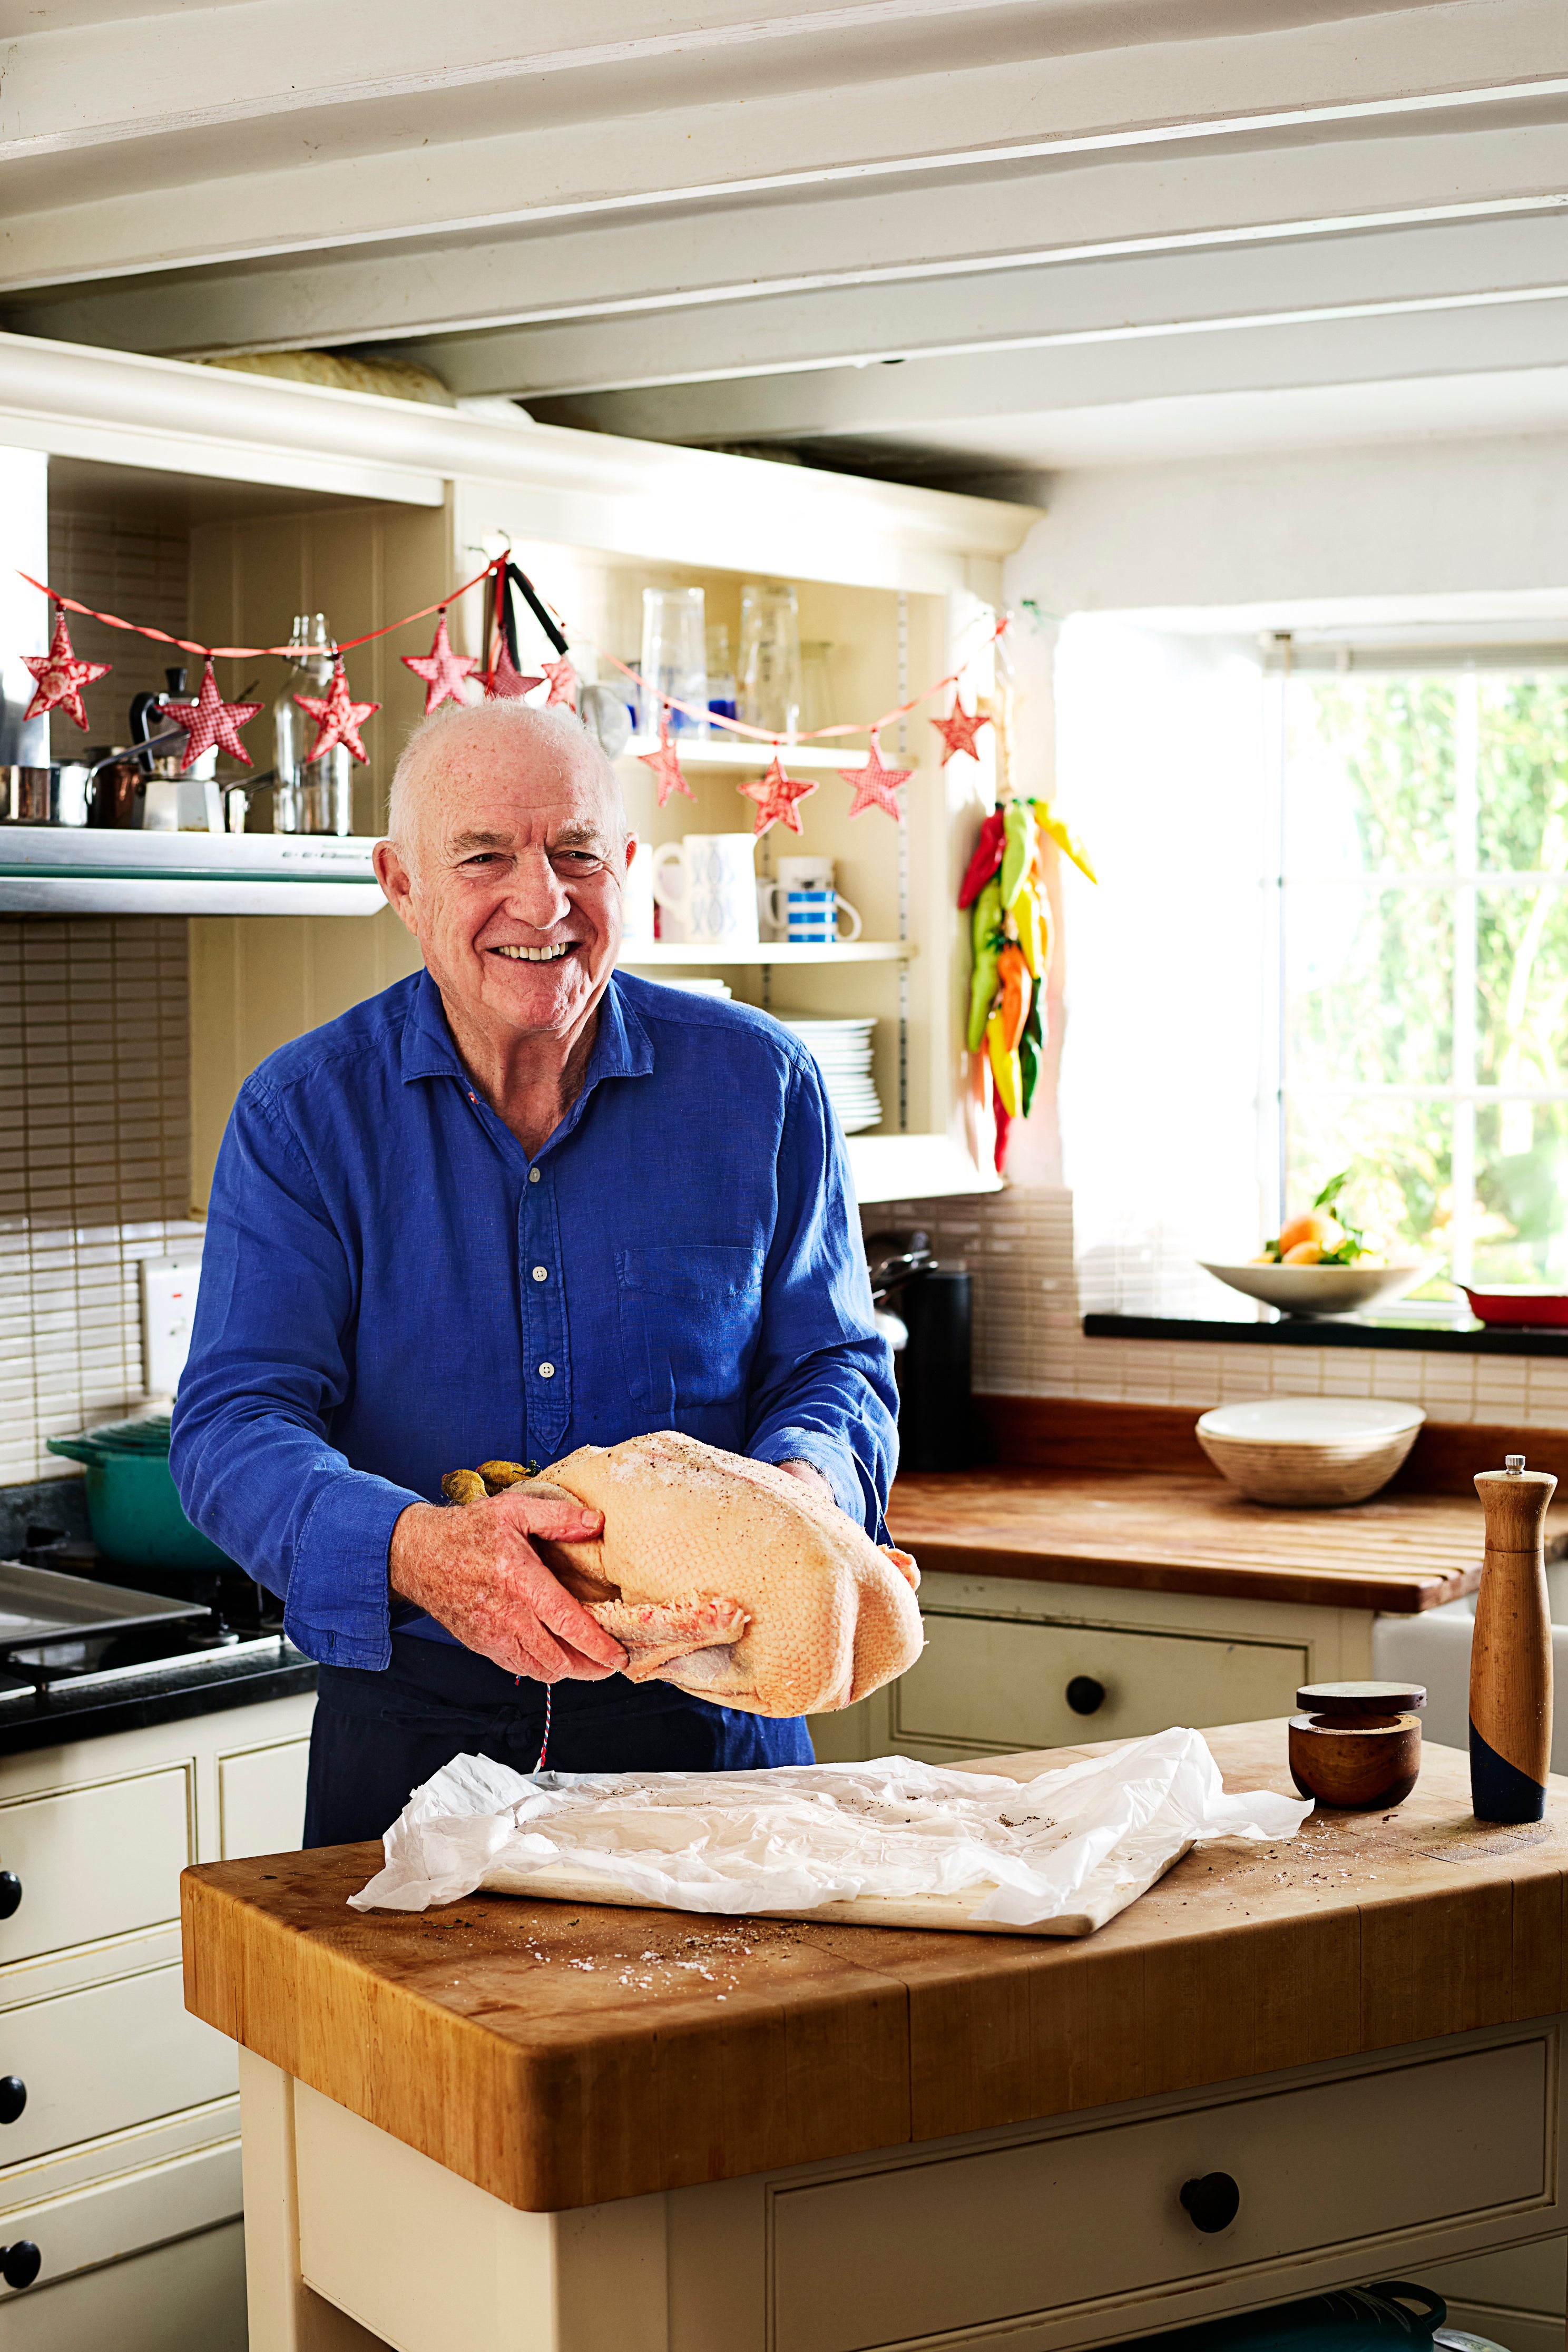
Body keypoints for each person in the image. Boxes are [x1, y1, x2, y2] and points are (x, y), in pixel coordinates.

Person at [170, 699, 897, 1844]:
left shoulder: (764, 1087)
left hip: (716, 1746)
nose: (542, 900)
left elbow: (836, 1363)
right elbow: (232, 1425)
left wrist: (806, 1488)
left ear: (631, 872)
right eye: (483, 858)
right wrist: (424, 1552)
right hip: (414, 1749)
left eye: (577, 854)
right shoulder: (303, 1117)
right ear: (400, 883)